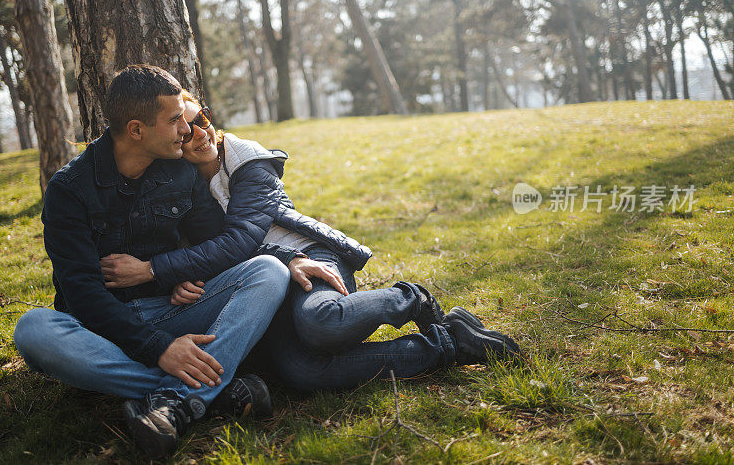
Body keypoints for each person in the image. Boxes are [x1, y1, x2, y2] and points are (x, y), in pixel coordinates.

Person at [12, 65, 338, 459]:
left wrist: (286, 258)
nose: (186, 131)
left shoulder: (178, 172)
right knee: (33, 330)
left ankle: (177, 400)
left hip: (171, 309)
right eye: (173, 121)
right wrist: (160, 349)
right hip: (102, 327)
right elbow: (81, 295)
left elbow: (219, 242)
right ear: (137, 130)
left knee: (265, 272)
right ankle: (210, 394)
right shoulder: (69, 190)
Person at [103, 90, 521, 394]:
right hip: (260, 283)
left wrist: (159, 270)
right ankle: (448, 343)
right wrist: (181, 278)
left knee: (322, 321)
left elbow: (239, 239)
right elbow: (199, 248)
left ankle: (410, 299)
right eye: (185, 126)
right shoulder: (178, 185)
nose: (198, 133)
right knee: (303, 372)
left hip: (308, 258)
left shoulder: (248, 163)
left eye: (204, 118)